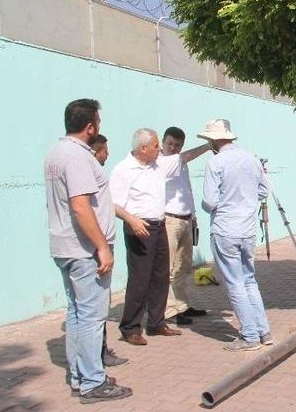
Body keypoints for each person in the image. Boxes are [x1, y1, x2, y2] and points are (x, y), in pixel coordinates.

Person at [44, 99, 132, 404]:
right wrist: (101, 248)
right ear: (90, 126)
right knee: (92, 317)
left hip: (66, 247)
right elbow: (81, 207)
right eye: (99, 121)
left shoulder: (56, 152)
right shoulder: (78, 157)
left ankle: (82, 376)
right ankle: (93, 382)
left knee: (78, 314)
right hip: (84, 251)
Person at [110, 128, 209, 346]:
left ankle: (156, 322)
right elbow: (114, 204)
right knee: (140, 280)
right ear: (143, 148)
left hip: (159, 225)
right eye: (156, 146)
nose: (160, 150)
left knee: (161, 277)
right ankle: (130, 327)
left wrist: (209, 145)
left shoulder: (158, 165)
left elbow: (184, 157)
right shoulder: (123, 170)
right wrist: (132, 220)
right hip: (139, 227)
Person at [199, 119, 272, 351]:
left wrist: (224, 203)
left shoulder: (215, 162)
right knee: (249, 280)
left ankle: (249, 335)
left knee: (235, 283)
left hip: (225, 228)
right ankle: (263, 330)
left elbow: (209, 202)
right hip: (247, 229)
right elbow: (264, 190)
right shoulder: (251, 158)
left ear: (214, 140)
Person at [85, 133, 129, 367]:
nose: (107, 153)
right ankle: (95, 359)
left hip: (98, 243)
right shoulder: (89, 173)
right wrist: (102, 246)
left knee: (92, 308)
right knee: (94, 308)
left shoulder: (91, 172)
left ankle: (97, 354)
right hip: (95, 246)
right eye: (103, 150)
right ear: (95, 151)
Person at [161, 127, 208, 325]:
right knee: (168, 267)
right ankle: (169, 311)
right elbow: (185, 157)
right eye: (169, 144)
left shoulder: (181, 163)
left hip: (185, 219)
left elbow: (186, 190)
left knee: (182, 267)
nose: (173, 148)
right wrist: (207, 146)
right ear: (163, 142)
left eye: (177, 145)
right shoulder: (160, 161)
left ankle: (182, 305)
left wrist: (194, 216)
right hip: (169, 220)